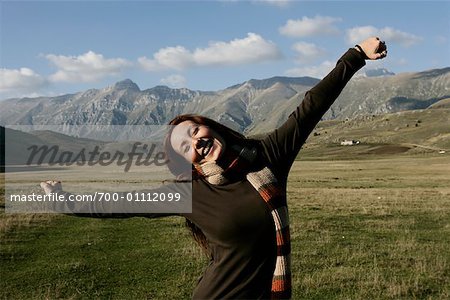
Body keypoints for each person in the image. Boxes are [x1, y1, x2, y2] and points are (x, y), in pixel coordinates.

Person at [41, 37, 387, 299]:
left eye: (195, 132)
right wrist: (61, 200)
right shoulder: (189, 194)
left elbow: (310, 106)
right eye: (184, 147)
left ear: (211, 126)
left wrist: (355, 55)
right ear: (185, 161)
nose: (196, 143)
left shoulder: (268, 157)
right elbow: (117, 204)